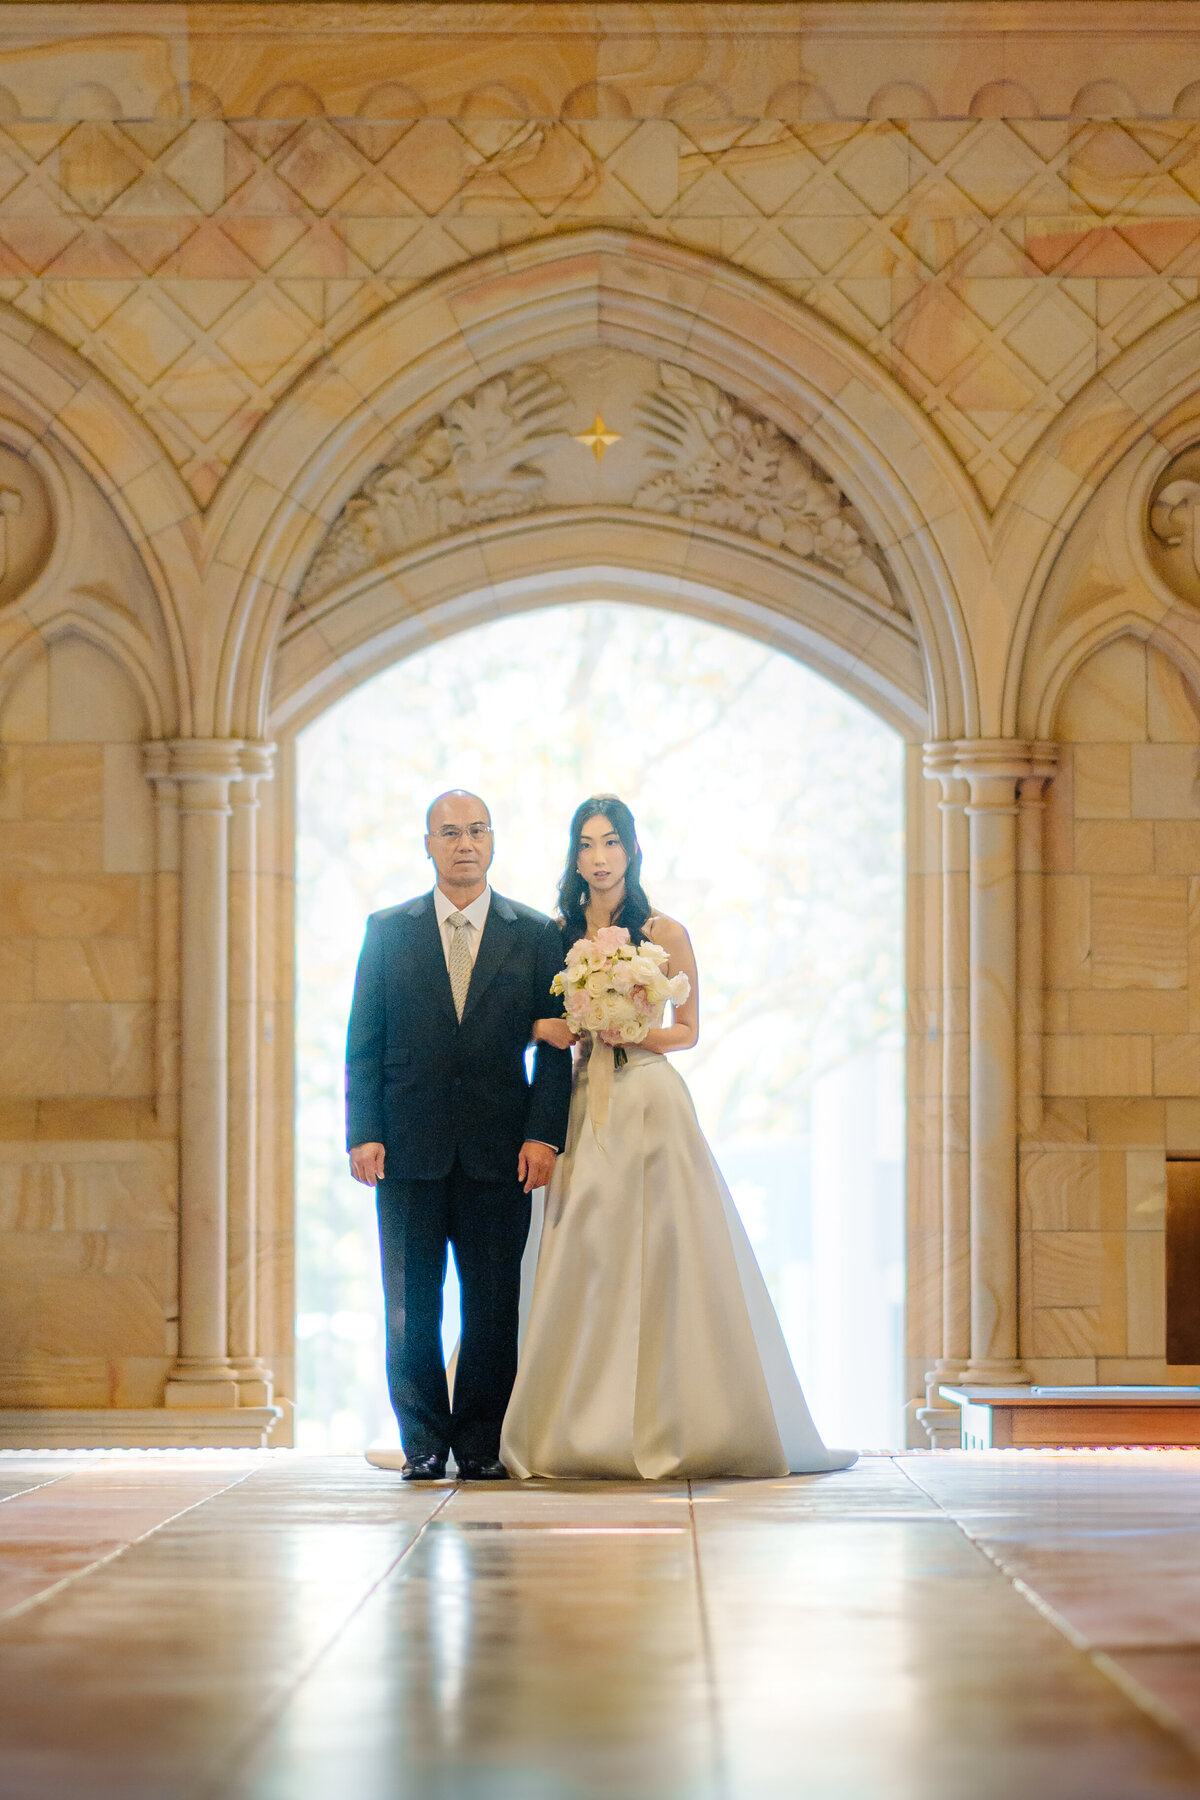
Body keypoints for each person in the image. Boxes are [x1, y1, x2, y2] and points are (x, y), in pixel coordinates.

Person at [501, 796, 857, 1480]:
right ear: (574, 856)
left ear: (631, 851)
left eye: (610, 842)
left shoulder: (665, 929)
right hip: (579, 1103)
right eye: (586, 844)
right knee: (583, 1250)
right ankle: (567, 1420)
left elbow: (688, 1030)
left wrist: (627, 1028)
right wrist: (562, 1029)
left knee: (664, 1252)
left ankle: (680, 1417)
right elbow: (540, 1026)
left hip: (648, 1099)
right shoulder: (553, 933)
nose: (599, 857)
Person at [346, 790, 572, 1482]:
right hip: (406, 1148)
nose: (464, 843)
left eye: (476, 831)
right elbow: (364, 1042)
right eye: (450, 832)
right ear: (428, 845)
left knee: (491, 1306)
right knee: (411, 1305)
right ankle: (422, 1442)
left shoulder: (534, 934)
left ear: (493, 840)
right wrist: (364, 1132)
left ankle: (478, 1444)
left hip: (499, 1151)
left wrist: (544, 1136)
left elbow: (557, 1047)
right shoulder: (387, 931)